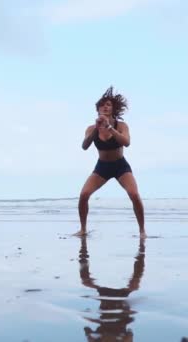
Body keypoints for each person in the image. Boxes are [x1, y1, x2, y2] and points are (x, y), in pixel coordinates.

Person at [75, 87, 145, 238]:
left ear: (113, 109)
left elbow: (126, 142)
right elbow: (84, 146)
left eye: (108, 105)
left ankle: (142, 231)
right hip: (102, 167)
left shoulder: (121, 126)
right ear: (98, 109)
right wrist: (97, 129)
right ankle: (83, 229)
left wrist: (109, 128)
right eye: (102, 105)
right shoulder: (91, 128)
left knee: (134, 194)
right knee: (84, 194)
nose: (105, 107)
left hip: (120, 166)